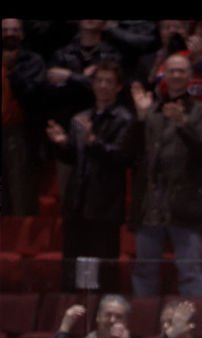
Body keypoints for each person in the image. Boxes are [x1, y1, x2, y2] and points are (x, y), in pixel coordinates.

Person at [128, 52, 202, 297]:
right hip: (150, 205)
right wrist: (140, 117)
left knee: (190, 271)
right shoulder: (150, 109)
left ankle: (195, 327)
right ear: (164, 75)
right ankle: (143, 324)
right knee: (145, 270)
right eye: (172, 71)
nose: (176, 75)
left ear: (190, 76)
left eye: (182, 71)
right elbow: (131, 153)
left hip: (184, 205)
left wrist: (183, 125)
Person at [45, 60, 134, 293]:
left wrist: (94, 142)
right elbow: (74, 158)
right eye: (99, 81)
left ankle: (102, 317)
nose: (103, 86)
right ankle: (72, 313)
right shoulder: (81, 118)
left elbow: (122, 157)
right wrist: (63, 143)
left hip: (105, 204)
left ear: (118, 87)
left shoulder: (124, 119)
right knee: (72, 265)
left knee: (103, 268)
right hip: (77, 201)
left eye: (109, 82)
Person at [2, 18, 46, 215]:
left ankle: (21, 234)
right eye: (5, 30)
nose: (9, 34)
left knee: (20, 183)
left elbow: (33, 94)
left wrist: (11, 72)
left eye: (14, 30)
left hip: (19, 129)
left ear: (23, 34)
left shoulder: (33, 60)